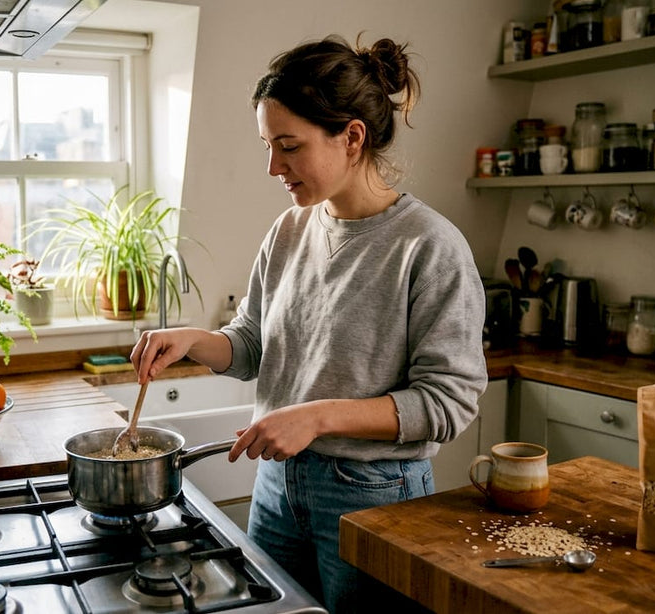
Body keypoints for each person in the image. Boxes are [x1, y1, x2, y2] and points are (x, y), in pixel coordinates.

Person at [131, 34, 487, 614]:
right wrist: (196, 340)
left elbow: (449, 402)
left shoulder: (430, 246)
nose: (273, 167)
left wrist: (318, 416)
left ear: (351, 137)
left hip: (374, 494)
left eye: (288, 146)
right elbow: (252, 345)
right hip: (277, 488)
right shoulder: (290, 231)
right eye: (267, 145)